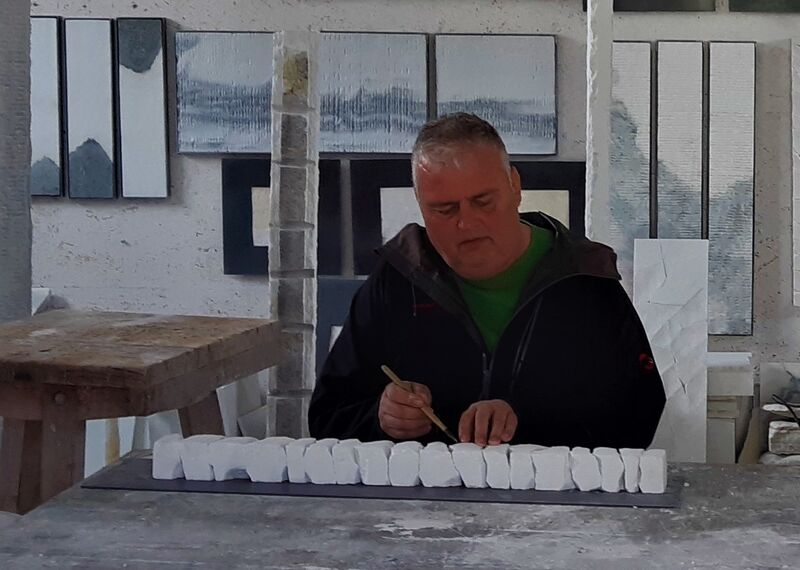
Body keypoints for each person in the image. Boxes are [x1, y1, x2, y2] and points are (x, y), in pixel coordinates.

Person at [308, 112, 665, 449]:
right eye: (444, 210)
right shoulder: (400, 277)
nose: (466, 223)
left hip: (551, 490)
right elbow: (327, 415)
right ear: (420, 206)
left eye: (483, 202)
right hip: (427, 492)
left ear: (515, 187)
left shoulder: (584, 277)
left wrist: (526, 421)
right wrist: (381, 418)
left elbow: (639, 414)